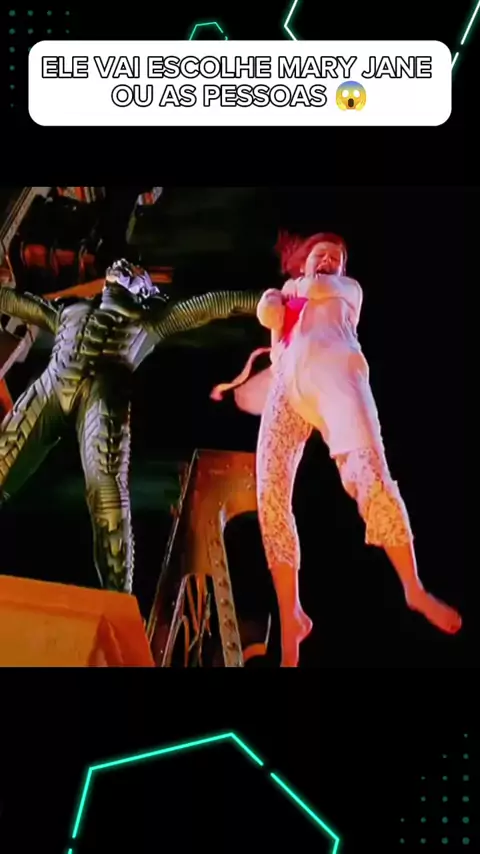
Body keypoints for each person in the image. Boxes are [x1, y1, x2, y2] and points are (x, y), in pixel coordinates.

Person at [211, 232, 462, 666]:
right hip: (288, 389)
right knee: (271, 497)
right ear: (304, 261)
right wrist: (270, 304)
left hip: (337, 380)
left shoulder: (346, 290)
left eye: (335, 257)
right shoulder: (292, 291)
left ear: (343, 269)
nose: (327, 259)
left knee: (369, 475)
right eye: (319, 254)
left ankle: (413, 588)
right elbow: (271, 317)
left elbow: (311, 290)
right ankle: (291, 616)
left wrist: (286, 292)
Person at [0, 260, 260, 593]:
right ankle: (117, 594)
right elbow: (18, 302)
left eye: (136, 270)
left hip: (100, 398)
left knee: (107, 494)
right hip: (56, 389)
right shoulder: (72, 310)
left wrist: (272, 299)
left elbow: (214, 305)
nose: (126, 266)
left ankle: (117, 595)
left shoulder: (150, 322)